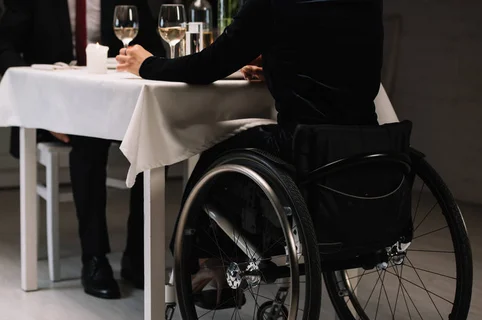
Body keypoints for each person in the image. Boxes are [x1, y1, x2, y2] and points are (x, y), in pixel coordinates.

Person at [116, 0, 383, 294]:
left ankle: (207, 259)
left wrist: (146, 64)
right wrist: (276, 65)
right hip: (367, 146)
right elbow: (337, 57)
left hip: (303, 147)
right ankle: (220, 256)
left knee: (220, 151)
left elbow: (209, 65)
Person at [0, 0, 165, 299]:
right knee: (87, 143)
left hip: (118, 102)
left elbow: (153, 48)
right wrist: (41, 104)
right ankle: (94, 259)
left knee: (156, 140)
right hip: (53, 106)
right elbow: (3, 49)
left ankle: (138, 256)